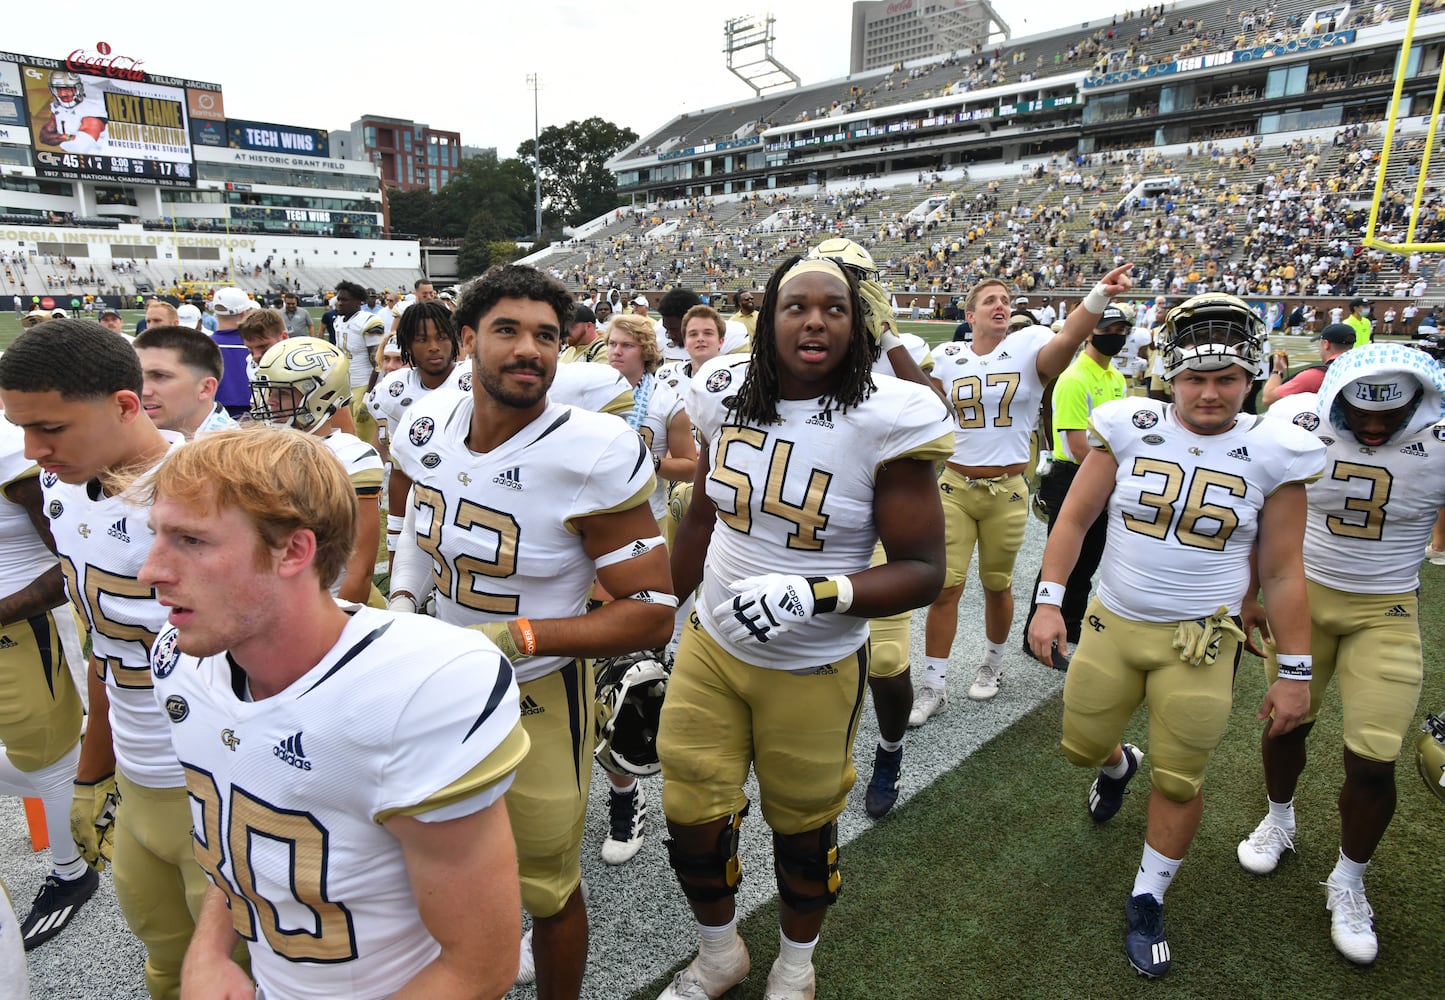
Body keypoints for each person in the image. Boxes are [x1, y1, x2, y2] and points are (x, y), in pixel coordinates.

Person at [139, 427, 526, 1000]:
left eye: (191, 541)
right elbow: (238, 832)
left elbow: (480, 965)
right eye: (157, 536)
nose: (150, 571)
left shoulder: (415, 689)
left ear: (294, 551)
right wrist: (210, 948)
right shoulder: (181, 659)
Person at [657, 254, 951, 1000]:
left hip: (812, 664)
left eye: (834, 308)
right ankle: (719, 953)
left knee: (803, 832)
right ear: (767, 320)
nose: (814, 319)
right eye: (796, 305)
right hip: (712, 646)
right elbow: (700, 516)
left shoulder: (889, 414)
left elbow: (921, 567)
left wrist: (816, 593)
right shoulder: (721, 391)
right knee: (691, 813)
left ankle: (795, 963)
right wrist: (662, 612)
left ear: (856, 327)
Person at [388, 265, 674, 1000]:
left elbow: (650, 608)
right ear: (465, 340)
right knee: (421, 862)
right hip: (432, 686)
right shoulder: (424, 425)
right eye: (507, 330)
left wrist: (515, 640)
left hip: (536, 693)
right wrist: (401, 602)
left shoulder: (592, 448)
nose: (529, 350)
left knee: (547, 887)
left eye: (545, 335)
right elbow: (418, 528)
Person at [1027, 291, 1325, 978]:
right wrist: (1049, 604)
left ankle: (1147, 895)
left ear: (1250, 375)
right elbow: (1073, 521)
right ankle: (1114, 764)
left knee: (1183, 778)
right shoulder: (1128, 423)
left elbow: (1282, 572)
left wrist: (1294, 671)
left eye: (1225, 378)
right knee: (1080, 746)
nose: (1210, 392)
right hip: (1111, 622)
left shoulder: (1275, 448)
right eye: (1195, 377)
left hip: (1201, 639)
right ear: (1170, 374)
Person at [0, 319, 202, 999]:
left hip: (217, 775)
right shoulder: (61, 486)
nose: (32, 449)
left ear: (122, 404)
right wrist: (93, 774)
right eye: (21, 428)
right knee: (164, 960)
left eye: (50, 428)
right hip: (142, 772)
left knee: (238, 973)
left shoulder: (210, 487)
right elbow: (102, 643)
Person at [1241, 343, 1445, 965]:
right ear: (1336, 402)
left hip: (1385, 610)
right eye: (1364, 416)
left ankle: (1349, 880)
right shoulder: (1297, 418)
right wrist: (1250, 592)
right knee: (1285, 720)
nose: (1378, 427)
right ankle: (1280, 817)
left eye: (1393, 415)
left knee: (1374, 759)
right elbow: (1259, 505)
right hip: (1302, 601)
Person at [913, 265, 1134, 724]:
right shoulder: (948, 355)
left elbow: (1069, 338)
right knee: (946, 588)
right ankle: (933, 684)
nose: (1000, 304)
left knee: (997, 585)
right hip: (954, 485)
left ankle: (992, 666)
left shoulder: (1028, 349)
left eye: (1005, 299)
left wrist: (1097, 295)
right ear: (969, 315)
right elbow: (922, 407)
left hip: (1007, 490)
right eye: (989, 300)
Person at [0, 415, 94, 951]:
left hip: (19, 627)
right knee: (50, 766)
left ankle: (72, 871)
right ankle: (96, 785)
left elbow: (72, 563)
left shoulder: (14, 451)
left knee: (49, 759)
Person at [1019, 304, 1132, 671]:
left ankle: (1069, 629)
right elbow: (1077, 443)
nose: (1115, 333)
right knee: (1063, 559)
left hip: (1101, 475)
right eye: (1108, 327)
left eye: (1120, 327)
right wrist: (1115, 476)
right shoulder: (1074, 378)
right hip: (1074, 475)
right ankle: (1036, 636)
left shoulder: (1115, 376)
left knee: (1088, 559)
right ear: (1090, 332)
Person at [250, 338, 384, 608]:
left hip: (327, 606)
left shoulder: (351, 458)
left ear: (321, 395)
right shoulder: (257, 449)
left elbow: (359, 572)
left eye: (283, 393)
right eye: (270, 391)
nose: (271, 402)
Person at [134, 326, 237, 438]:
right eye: (136, 375)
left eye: (160, 376)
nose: (143, 391)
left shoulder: (236, 453)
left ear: (205, 389)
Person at [334, 281, 385, 444]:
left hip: (363, 385)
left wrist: (369, 394)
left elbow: (377, 363)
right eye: (339, 299)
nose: (340, 303)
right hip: (344, 386)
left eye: (344, 300)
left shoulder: (368, 321)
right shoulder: (338, 321)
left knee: (364, 437)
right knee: (345, 435)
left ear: (358, 301)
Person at [1260, 323, 1354, 408]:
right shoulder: (1359, 367)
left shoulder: (1315, 376)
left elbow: (1268, 398)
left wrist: (1277, 370)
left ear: (1326, 344)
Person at [209, 288, 257, 418]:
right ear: (244, 313)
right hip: (254, 416)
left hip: (214, 416)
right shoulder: (257, 345)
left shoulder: (203, 345)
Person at [37, 71, 106, 153]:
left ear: (78, 88)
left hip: (100, 161)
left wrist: (61, 139)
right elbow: (44, 137)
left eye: (67, 89)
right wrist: (68, 137)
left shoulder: (92, 109)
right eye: (58, 89)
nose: (63, 94)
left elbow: (79, 147)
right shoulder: (58, 108)